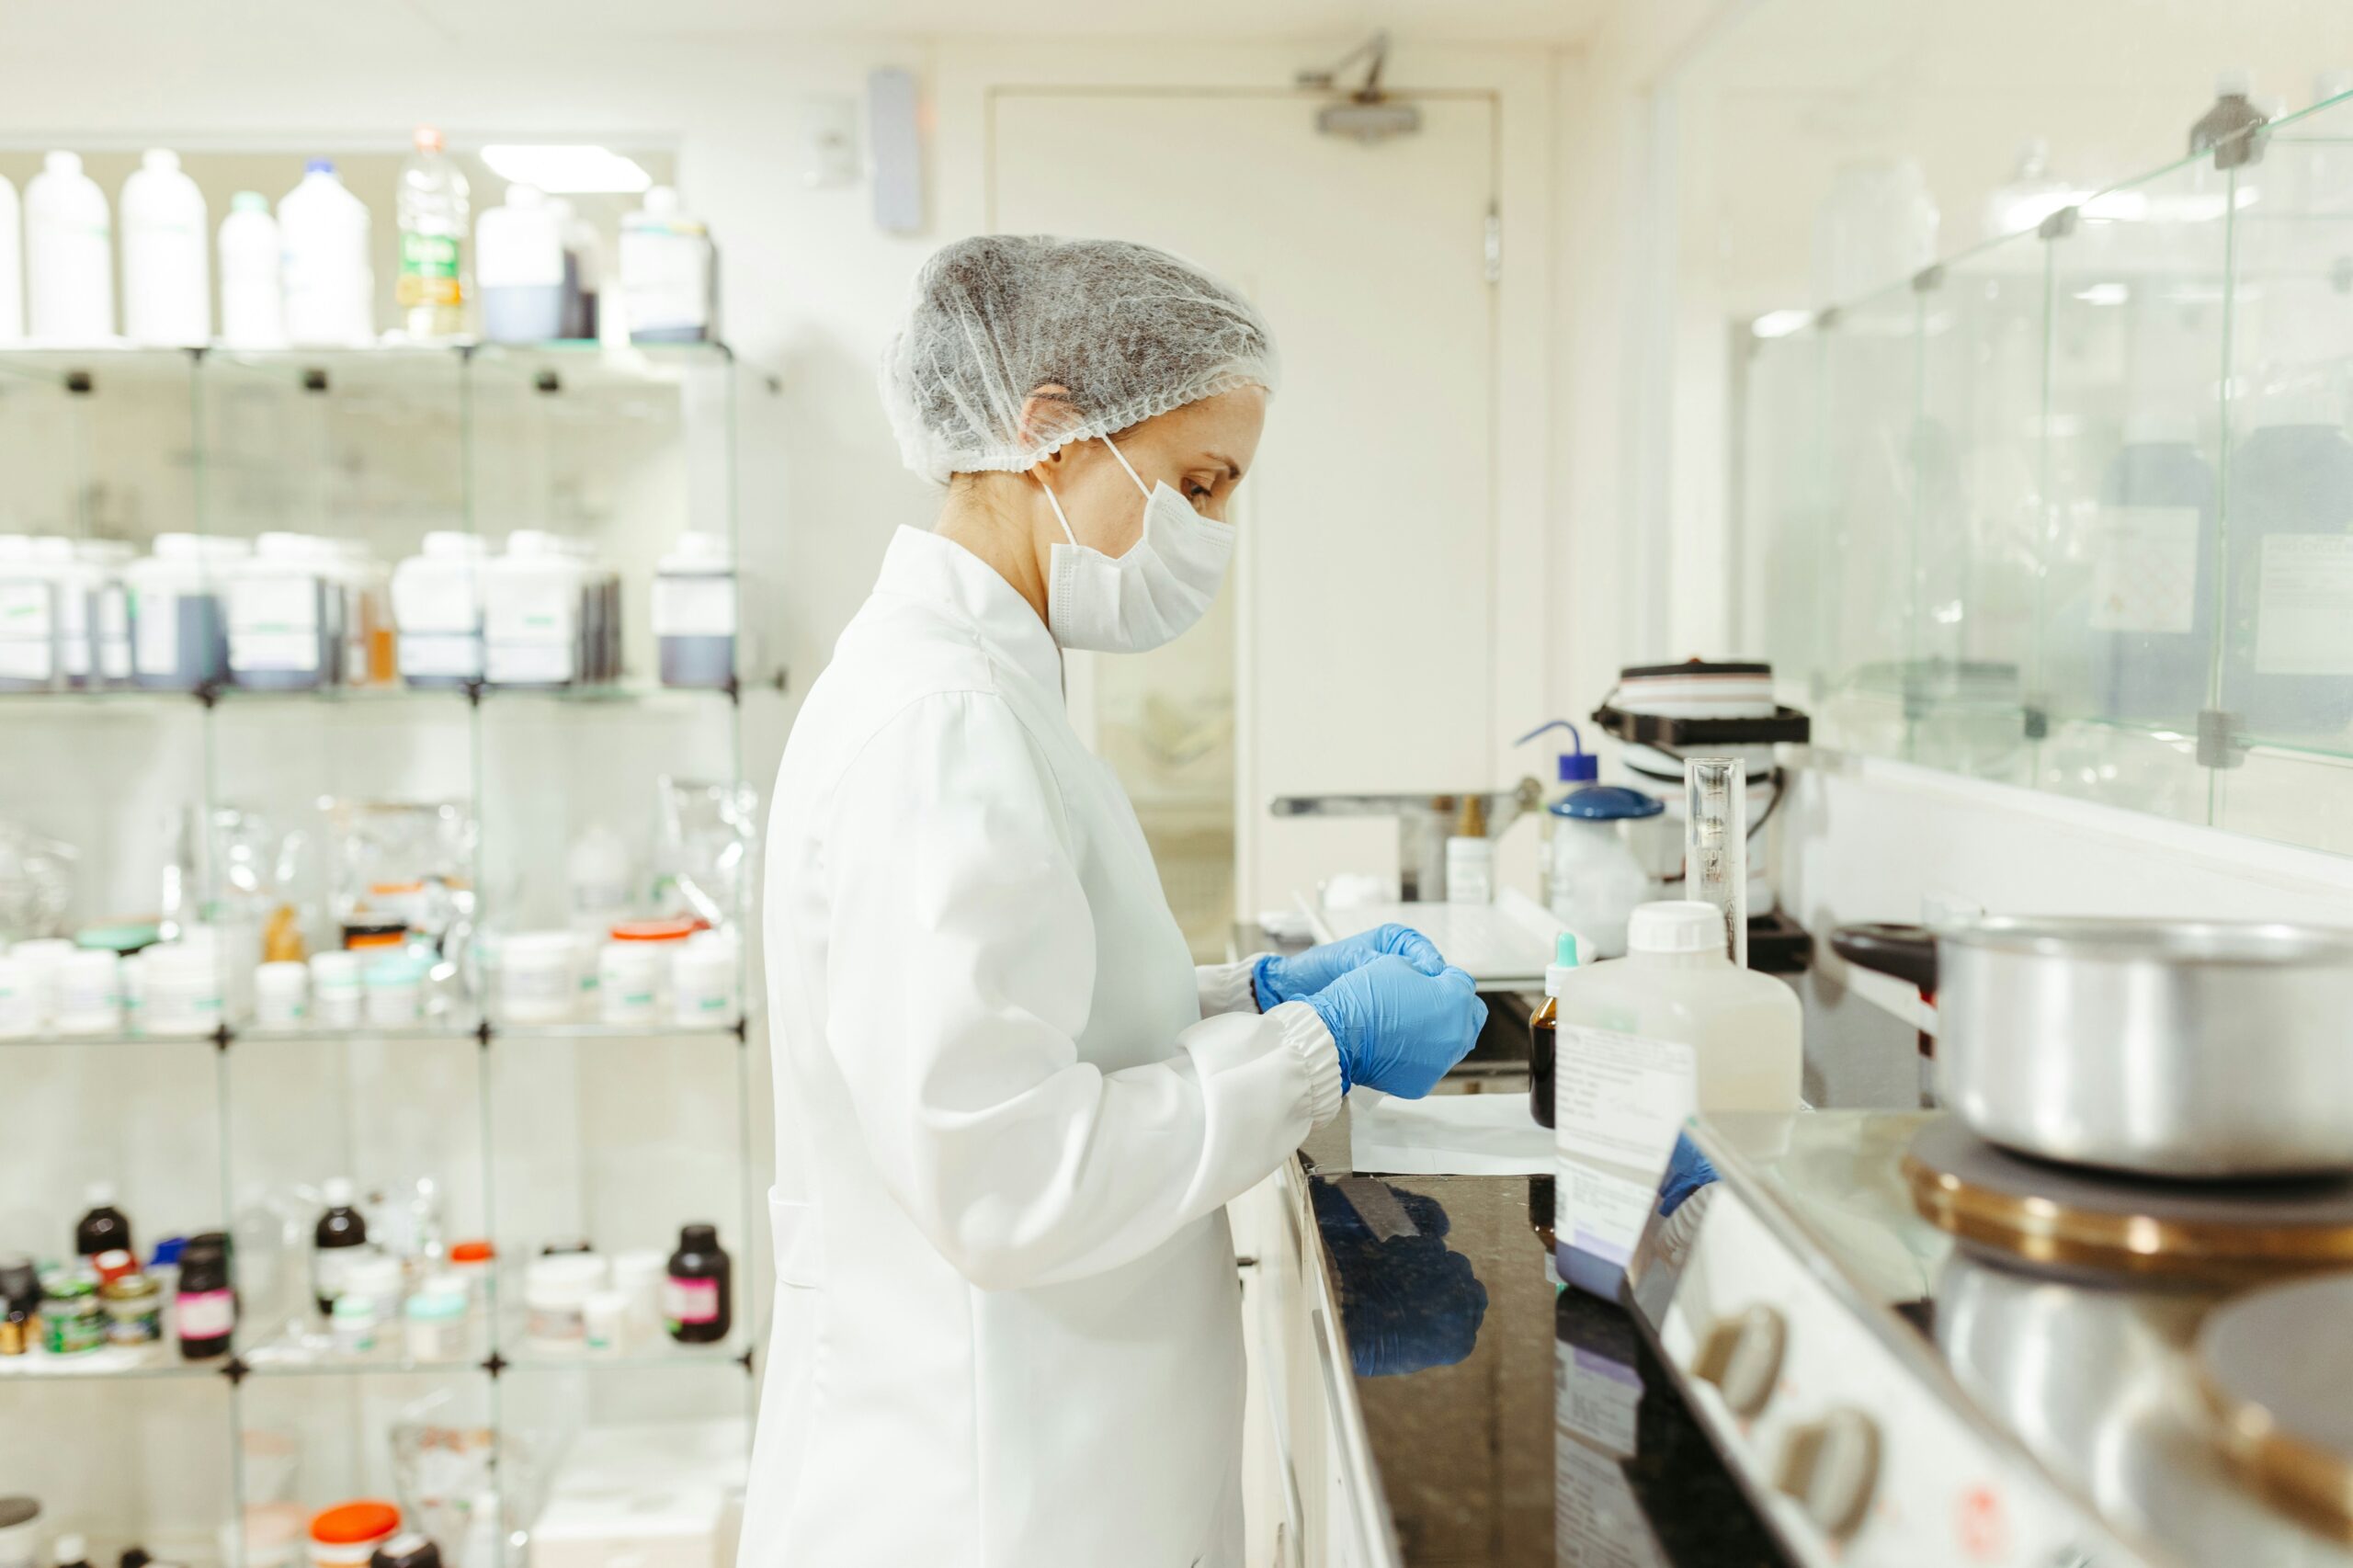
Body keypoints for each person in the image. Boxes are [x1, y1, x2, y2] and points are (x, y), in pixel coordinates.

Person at [739, 234, 1488, 1568]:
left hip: (1041, 1461)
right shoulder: (942, 720)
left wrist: (1246, 996)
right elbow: (1007, 1176)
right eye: (1198, 480)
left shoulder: (977, 683)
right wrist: (1315, 1051)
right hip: (989, 1499)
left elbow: (1020, 1011)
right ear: (1051, 433)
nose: (1212, 527)